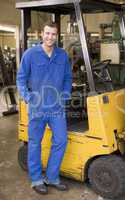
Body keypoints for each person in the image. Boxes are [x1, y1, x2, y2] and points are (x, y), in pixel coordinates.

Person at [16, 22, 72, 195]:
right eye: (47, 33)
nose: (50, 37)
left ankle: (52, 177)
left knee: (61, 140)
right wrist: (28, 97)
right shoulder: (30, 54)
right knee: (34, 143)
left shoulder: (62, 55)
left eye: (53, 34)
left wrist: (65, 95)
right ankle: (36, 179)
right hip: (37, 108)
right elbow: (21, 78)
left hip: (56, 107)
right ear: (42, 34)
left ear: (57, 36)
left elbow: (68, 78)